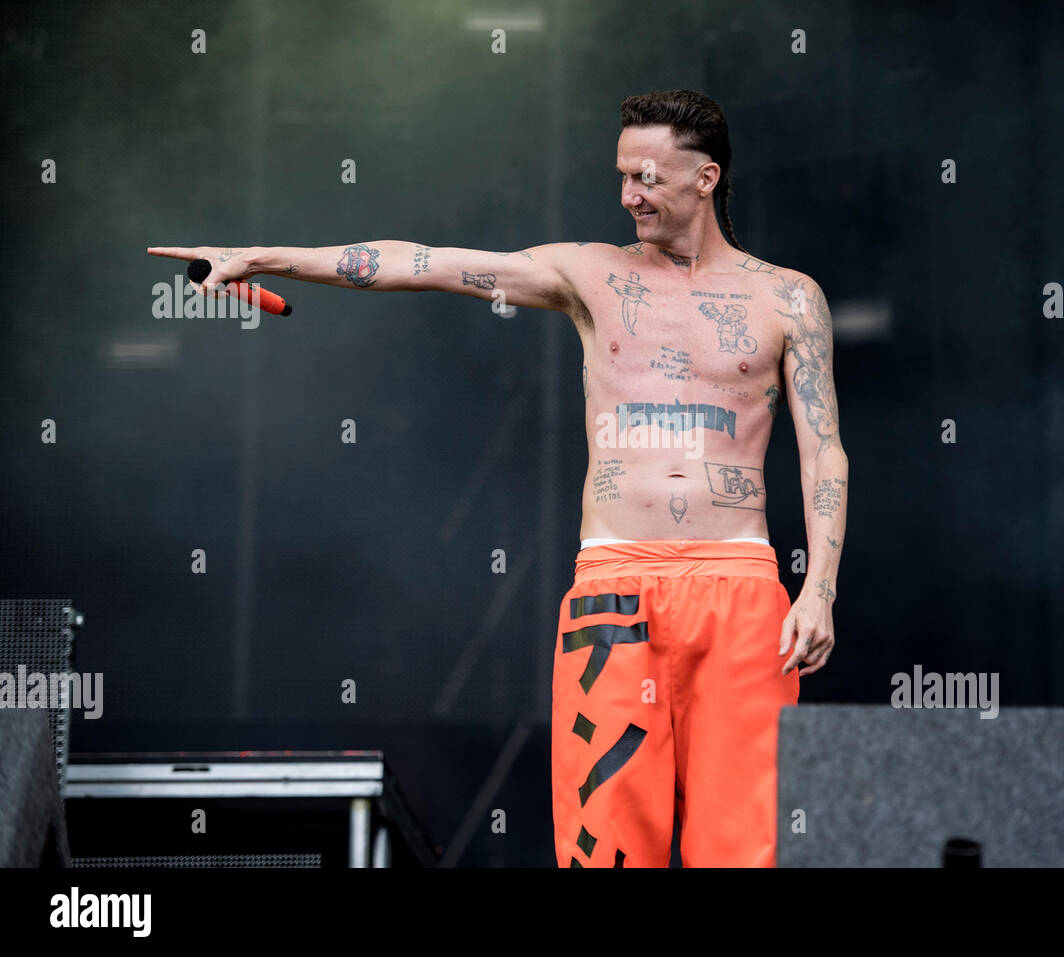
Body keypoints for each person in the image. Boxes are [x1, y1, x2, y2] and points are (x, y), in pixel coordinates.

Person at [148, 89, 848, 867]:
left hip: (742, 589)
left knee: (747, 848)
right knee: (606, 848)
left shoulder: (787, 296)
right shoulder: (591, 275)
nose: (628, 195)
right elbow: (427, 264)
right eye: (620, 176)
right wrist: (263, 259)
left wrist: (818, 586)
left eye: (646, 177)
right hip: (614, 585)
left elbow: (824, 452)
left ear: (706, 177)